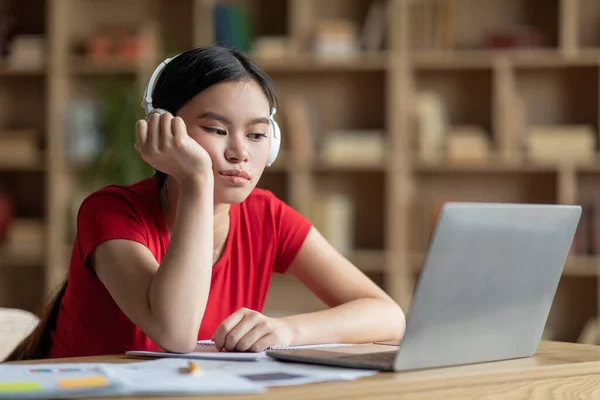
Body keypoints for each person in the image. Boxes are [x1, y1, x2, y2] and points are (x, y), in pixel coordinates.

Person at [7, 45, 406, 361]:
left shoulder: (266, 215)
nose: (239, 153)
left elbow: (388, 315)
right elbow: (175, 332)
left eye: (255, 135)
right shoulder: (110, 212)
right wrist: (197, 178)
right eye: (216, 129)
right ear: (164, 128)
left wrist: (288, 331)